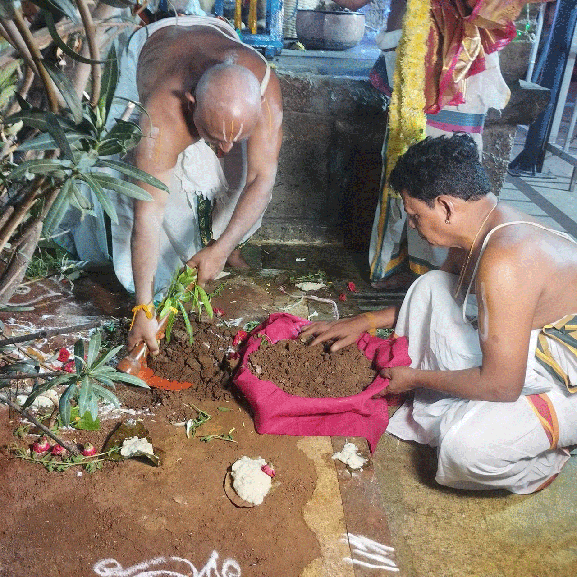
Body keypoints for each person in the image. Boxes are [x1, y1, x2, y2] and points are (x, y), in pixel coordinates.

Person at [301, 133, 577, 494]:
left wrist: (415, 378)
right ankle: (480, 411)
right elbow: (433, 298)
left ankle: (545, 456)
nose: (412, 226)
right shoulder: (482, 227)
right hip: (535, 345)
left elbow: (502, 384)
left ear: (445, 207)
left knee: (465, 450)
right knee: (430, 286)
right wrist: (363, 321)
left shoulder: (506, 258)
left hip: (565, 376)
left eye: (415, 215)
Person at [65, 15, 283, 355]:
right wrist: (143, 308)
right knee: (129, 187)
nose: (224, 151)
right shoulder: (161, 111)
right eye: (213, 138)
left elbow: (262, 178)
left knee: (238, 177)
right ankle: (157, 283)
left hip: (214, 36)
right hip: (155, 46)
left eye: (234, 140)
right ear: (191, 102)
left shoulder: (266, 86)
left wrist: (223, 247)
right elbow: (147, 217)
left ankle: (222, 248)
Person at [332, 0, 538, 289]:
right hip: (414, 58)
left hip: (459, 64)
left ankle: (439, 278)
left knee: (441, 180)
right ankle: (409, 270)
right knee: (404, 174)